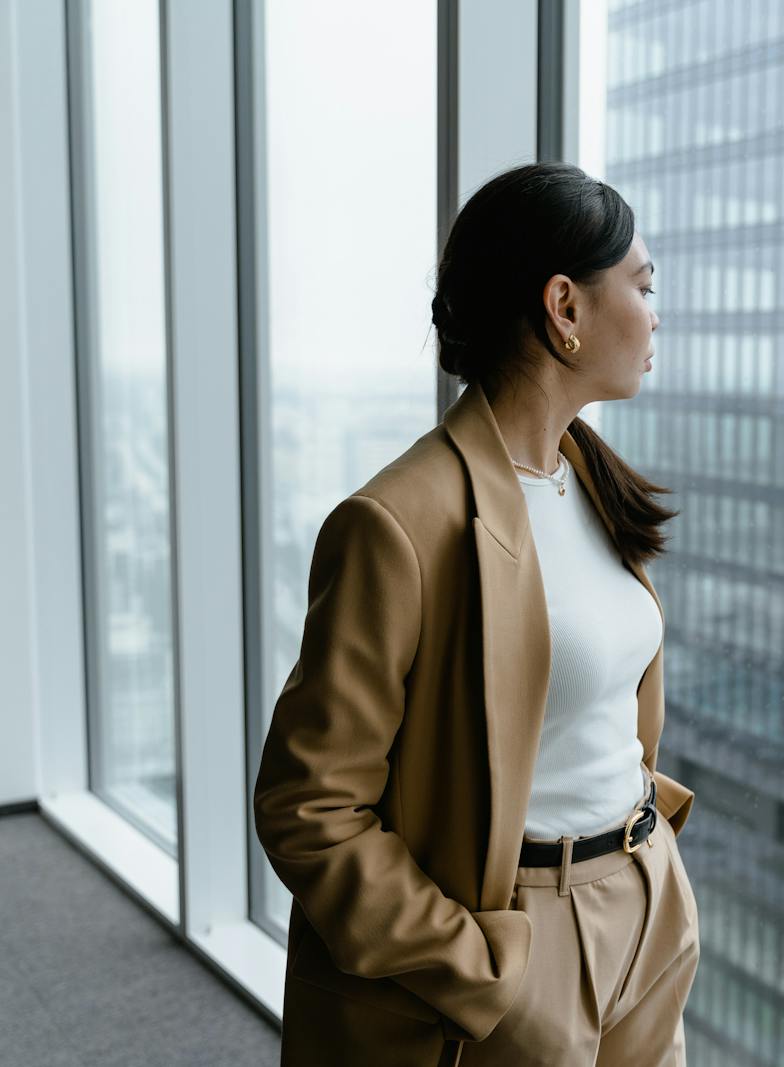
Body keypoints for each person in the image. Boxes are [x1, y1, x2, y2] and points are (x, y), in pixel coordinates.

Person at [252, 160, 699, 1067]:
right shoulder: (396, 525)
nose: (656, 313)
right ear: (565, 308)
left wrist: (652, 862)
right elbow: (310, 806)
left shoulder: (589, 478)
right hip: (521, 935)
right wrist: (481, 971)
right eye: (643, 286)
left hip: (645, 905)